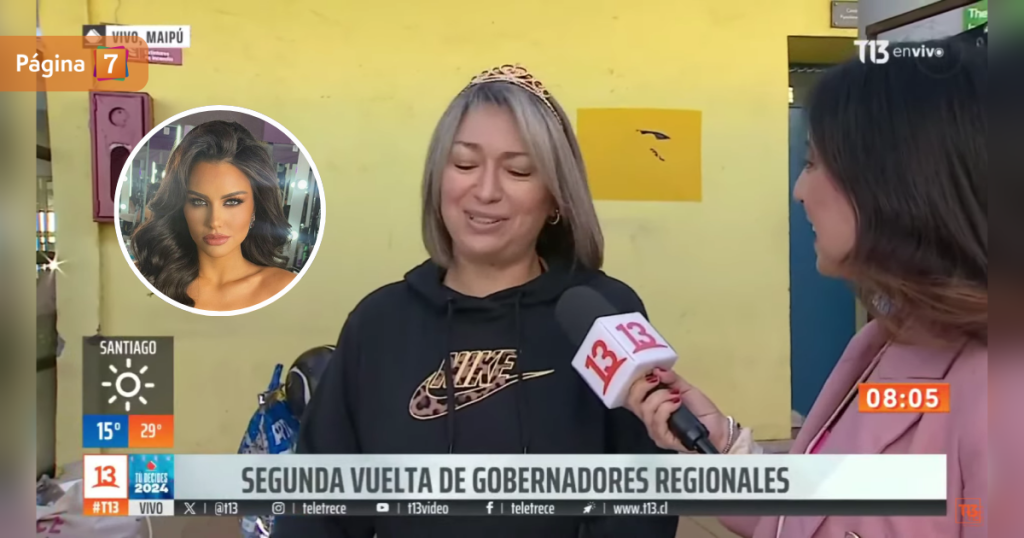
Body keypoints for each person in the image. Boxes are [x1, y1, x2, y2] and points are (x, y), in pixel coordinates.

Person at [272, 65, 677, 538]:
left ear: (556, 197)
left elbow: (643, 499)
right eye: (464, 165)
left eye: (518, 170)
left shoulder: (602, 313)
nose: (485, 191)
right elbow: (319, 511)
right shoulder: (379, 324)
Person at [625, 39, 987, 538]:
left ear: (895, 179)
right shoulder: (886, 343)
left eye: (813, 163)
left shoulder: (1002, 397)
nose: (798, 190)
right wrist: (721, 446)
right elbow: (813, 508)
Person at [131, 120, 296, 311]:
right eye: (198, 202)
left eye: (232, 202)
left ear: (255, 208)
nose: (214, 222)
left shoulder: (285, 287)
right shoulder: (144, 278)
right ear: (181, 207)